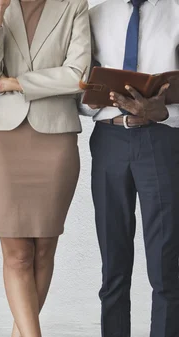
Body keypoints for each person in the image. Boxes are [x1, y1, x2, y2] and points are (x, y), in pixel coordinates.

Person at [0, 0, 90, 335]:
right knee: (18, 254)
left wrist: (16, 83)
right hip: (3, 140)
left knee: (42, 251)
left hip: (55, 138)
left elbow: (77, 76)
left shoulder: (73, 6)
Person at [79, 0, 179, 336]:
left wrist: (160, 112)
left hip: (162, 141)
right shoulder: (93, 15)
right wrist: (89, 97)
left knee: (165, 263)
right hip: (109, 140)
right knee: (113, 260)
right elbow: (78, 86)